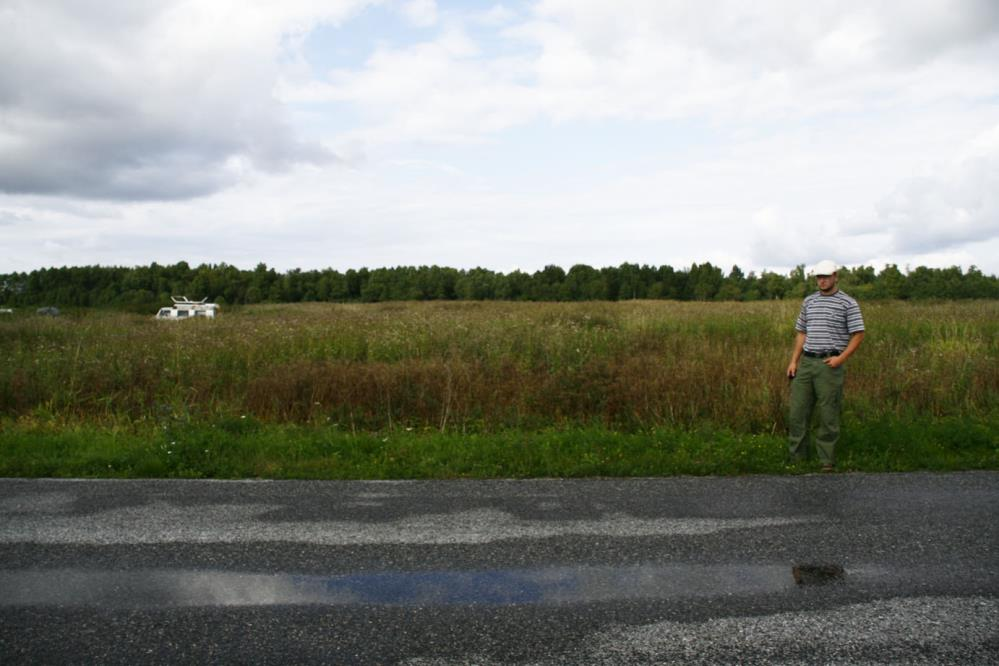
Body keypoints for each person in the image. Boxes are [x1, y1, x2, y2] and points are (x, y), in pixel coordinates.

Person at [786, 260, 865, 471]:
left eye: (826, 276)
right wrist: (794, 361)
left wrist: (841, 359)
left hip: (829, 364)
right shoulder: (809, 301)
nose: (822, 280)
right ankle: (797, 459)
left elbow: (858, 334)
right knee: (798, 412)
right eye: (819, 277)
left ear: (835, 276)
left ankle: (826, 460)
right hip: (807, 363)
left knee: (828, 413)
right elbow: (802, 332)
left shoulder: (847, 303)